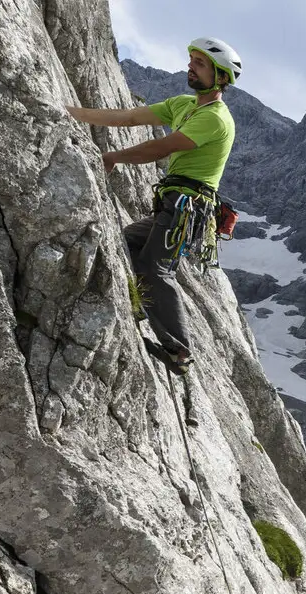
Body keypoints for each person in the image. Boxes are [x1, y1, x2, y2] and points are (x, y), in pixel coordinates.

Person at [64, 38, 243, 371]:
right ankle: (139, 305)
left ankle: (180, 351)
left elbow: (162, 148)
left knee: (155, 268)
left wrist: (115, 157)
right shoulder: (182, 105)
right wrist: (73, 113)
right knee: (126, 244)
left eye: (200, 64)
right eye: (191, 60)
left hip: (189, 207)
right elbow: (129, 117)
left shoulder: (216, 118)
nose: (190, 66)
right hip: (174, 204)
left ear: (220, 78)